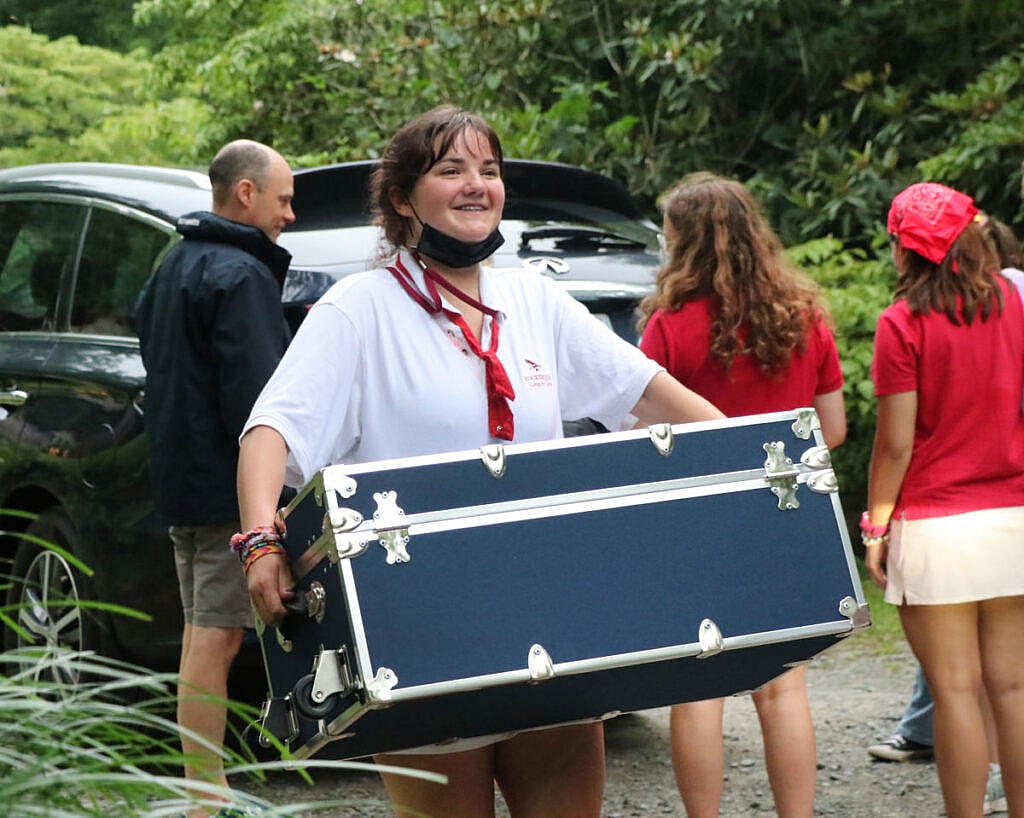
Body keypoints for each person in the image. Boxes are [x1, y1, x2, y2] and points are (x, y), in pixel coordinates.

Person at [234, 105, 724, 818]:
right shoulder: (358, 310)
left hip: (551, 612)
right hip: (419, 627)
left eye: (488, 171)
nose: (476, 185)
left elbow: (645, 394)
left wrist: (748, 459)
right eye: (451, 170)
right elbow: (270, 432)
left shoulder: (533, 298)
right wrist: (259, 540)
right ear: (403, 198)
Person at [636, 171, 846, 818]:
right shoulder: (804, 317)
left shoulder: (669, 326)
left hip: (695, 520)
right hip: (783, 515)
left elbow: (642, 430)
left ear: (682, 241)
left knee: (698, 688)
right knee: (783, 689)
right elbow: (831, 429)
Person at [134, 139, 295, 818]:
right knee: (214, 636)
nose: (291, 214)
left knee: (208, 632)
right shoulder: (240, 275)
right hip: (223, 488)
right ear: (246, 194)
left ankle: (206, 787)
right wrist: (274, 493)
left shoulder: (172, 264)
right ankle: (204, 795)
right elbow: (262, 397)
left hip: (180, 477)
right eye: (284, 200)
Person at [863, 181, 1024, 818]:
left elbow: (895, 445)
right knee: (1012, 687)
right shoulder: (1013, 301)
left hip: (935, 525)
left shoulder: (901, 324)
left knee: (955, 692)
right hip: (1013, 515)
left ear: (905, 251)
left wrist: (876, 526)